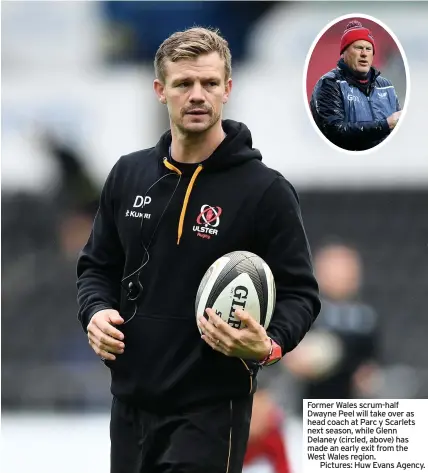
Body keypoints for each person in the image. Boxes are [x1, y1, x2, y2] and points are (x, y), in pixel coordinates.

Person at [77, 27, 320, 473]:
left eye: (209, 83)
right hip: (129, 406)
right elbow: (96, 267)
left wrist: (269, 345)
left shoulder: (265, 191)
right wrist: (94, 312)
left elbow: (301, 294)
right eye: (183, 83)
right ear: (160, 91)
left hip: (210, 411)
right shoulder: (128, 175)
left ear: (227, 89)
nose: (197, 95)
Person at [284, 242, 380, 406]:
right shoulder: (302, 309)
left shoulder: (366, 318)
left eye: (347, 268)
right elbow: (289, 357)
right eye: (335, 268)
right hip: (304, 405)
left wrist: (367, 376)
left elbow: (371, 364)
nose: (342, 275)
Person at [310, 20, 402, 151]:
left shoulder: (385, 86)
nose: (364, 53)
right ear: (344, 53)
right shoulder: (329, 84)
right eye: (358, 48)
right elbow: (336, 131)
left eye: (368, 49)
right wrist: (385, 125)